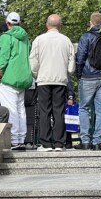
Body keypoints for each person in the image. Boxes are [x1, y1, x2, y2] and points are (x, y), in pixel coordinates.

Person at [29, 14, 75, 151]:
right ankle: (60, 143)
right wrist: (67, 72)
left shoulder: (39, 40)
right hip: (60, 79)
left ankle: (46, 143)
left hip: (43, 79)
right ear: (59, 25)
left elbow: (33, 61)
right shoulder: (66, 40)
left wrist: (36, 74)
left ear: (46, 24)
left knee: (44, 111)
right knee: (58, 111)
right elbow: (72, 63)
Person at [0, 12, 32, 150]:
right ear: (19, 23)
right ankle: (21, 138)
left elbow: (1, 60)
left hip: (8, 78)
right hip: (23, 78)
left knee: (11, 110)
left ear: (7, 22)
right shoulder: (25, 38)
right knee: (21, 109)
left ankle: (14, 140)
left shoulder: (5, 37)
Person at [74, 12, 101, 150]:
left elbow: (80, 58)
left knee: (84, 108)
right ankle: (97, 142)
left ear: (91, 22)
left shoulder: (86, 37)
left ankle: (85, 140)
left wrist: (80, 75)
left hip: (88, 76)